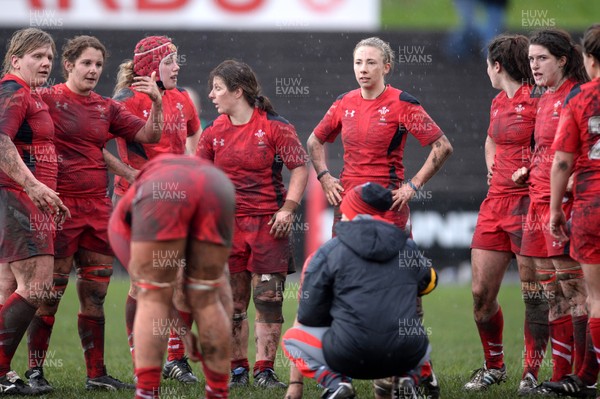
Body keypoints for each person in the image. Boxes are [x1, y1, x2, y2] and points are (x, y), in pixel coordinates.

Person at [303, 35, 451, 398]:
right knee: (344, 284)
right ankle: (343, 376)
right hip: (349, 209)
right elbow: (314, 141)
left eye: (371, 63)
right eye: (358, 63)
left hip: (389, 209)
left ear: (387, 66)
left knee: (407, 288)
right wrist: (324, 177)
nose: (363, 70)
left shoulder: (402, 103)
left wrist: (413, 186)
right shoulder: (344, 103)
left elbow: (442, 145)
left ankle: (418, 371)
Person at [22, 35, 163, 392]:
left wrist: (156, 102)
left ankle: (96, 374)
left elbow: (147, 134)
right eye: (86, 63)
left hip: (97, 209)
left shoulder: (105, 107)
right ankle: (35, 372)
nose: (93, 70)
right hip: (58, 206)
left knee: (95, 295)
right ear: (68, 65)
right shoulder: (45, 100)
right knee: (48, 295)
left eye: (98, 65)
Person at [198, 59, 308, 389]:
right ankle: (237, 370)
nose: (212, 95)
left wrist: (288, 209)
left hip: (268, 226)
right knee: (232, 303)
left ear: (238, 92)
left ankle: (264, 369)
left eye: (217, 88)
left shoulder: (276, 126)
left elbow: (299, 168)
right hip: (227, 228)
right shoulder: (213, 132)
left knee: (269, 300)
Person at [282, 182, 437, 399]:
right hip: (402, 353)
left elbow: (308, 315)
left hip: (348, 356)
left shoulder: (328, 252)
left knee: (292, 338)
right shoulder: (406, 246)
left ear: (352, 212)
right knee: (413, 336)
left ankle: (337, 383)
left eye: (345, 209)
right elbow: (430, 283)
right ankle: (408, 378)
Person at [111, 35, 203, 384]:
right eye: (170, 61)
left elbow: (195, 138)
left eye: (177, 60)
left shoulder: (181, 99)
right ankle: (142, 360)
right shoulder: (125, 100)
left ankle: (176, 360)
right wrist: (130, 174)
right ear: (150, 67)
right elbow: (96, 145)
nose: (178, 66)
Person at [108, 154, 235, 399]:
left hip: (164, 186)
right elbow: (224, 297)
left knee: (152, 294)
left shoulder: (123, 217)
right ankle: (218, 391)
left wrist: (184, 332)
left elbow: (154, 292)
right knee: (208, 295)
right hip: (218, 184)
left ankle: (146, 391)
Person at [463, 35, 549, 394]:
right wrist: (491, 169)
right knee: (481, 292)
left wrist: (531, 170)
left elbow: (556, 145)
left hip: (530, 205)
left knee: (534, 294)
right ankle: (494, 366)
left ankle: (530, 372)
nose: (486, 70)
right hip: (495, 203)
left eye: (487, 64)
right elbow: (490, 140)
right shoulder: (498, 101)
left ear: (497, 66)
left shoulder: (540, 99)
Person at [512, 28, 590, 387]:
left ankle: (583, 375)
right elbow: (551, 149)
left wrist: (575, 178)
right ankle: (559, 375)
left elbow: (584, 149)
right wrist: (530, 167)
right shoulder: (543, 98)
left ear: (561, 60)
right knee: (551, 292)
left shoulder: (578, 95)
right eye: (530, 59)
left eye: (542, 58)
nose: (534, 65)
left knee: (575, 291)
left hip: (564, 205)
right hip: (537, 203)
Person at [0, 27, 70, 395]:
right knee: (37, 284)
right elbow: (0, 140)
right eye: (36, 56)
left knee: (8, 287)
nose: (45, 63)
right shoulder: (13, 90)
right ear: (16, 61)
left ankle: (5, 375)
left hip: (24, 198)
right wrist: (33, 186)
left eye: (48, 57)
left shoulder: (28, 93)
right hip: (16, 197)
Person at [542, 24, 600, 398]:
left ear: (590, 59)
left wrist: (554, 211)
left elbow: (561, 161)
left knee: (595, 297)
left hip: (592, 204)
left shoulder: (580, 98)